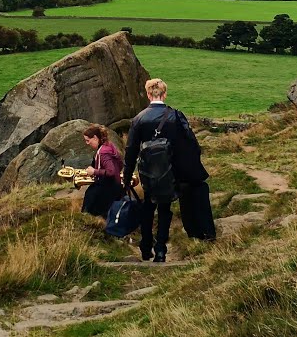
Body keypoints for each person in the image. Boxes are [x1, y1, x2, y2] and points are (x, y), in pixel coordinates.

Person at [122, 78, 210, 261]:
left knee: (148, 207)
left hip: (147, 171)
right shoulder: (175, 116)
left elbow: (130, 150)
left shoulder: (138, 119)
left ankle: (146, 247)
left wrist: (127, 176)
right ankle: (161, 249)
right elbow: (191, 144)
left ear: (147, 94)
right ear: (165, 94)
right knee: (164, 207)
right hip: (170, 171)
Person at [81, 123, 124, 217]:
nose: (87, 143)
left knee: (90, 201)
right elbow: (120, 164)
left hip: (108, 188)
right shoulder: (109, 146)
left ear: (95, 138)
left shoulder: (103, 152)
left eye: (88, 140)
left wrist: (94, 171)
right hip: (116, 186)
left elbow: (111, 171)